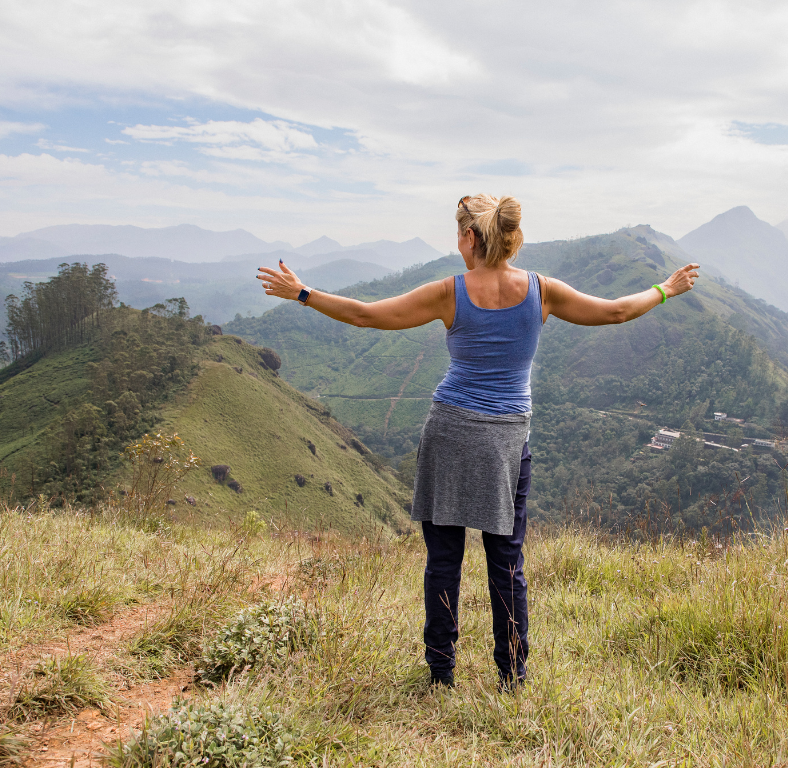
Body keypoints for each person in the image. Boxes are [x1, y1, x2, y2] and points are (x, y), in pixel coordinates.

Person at [257, 194, 699, 691]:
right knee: (506, 562)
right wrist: (666, 288)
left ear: (470, 237)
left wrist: (302, 293)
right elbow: (616, 312)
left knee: (443, 560)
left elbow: (365, 314)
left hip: (449, 432)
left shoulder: (450, 292)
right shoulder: (540, 291)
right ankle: (512, 676)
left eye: (457, 231)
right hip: (507, 442)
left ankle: (441, 673)